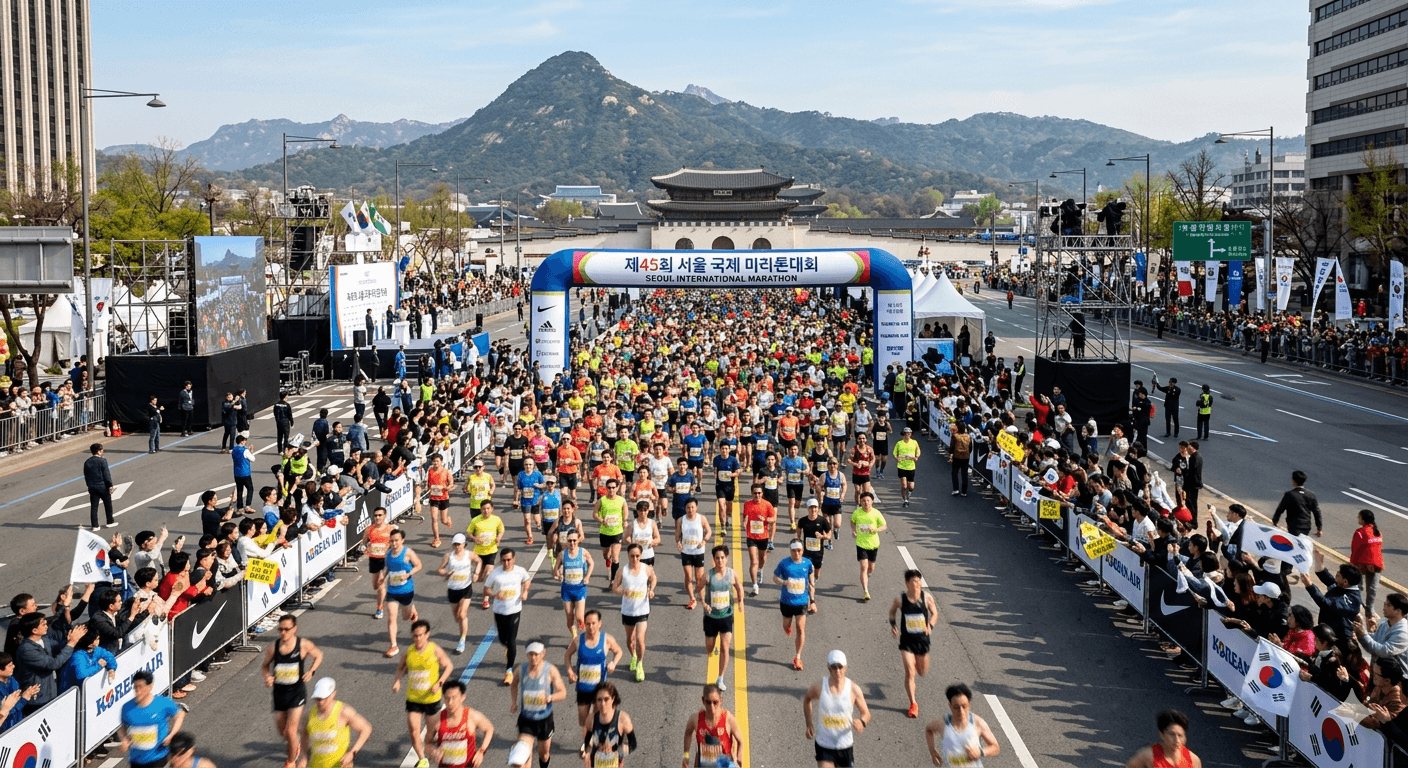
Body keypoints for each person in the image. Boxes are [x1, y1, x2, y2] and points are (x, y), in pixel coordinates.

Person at [262, 613, 325, 768]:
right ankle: (295, 744)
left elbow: (318, 655)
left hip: (296, 693)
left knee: (290, 731)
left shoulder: (303, 645)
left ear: (294, 629)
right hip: (279, 694)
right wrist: (268, 677)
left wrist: (311, 671)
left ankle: (291, 761)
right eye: (280, 629)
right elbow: (265, 665)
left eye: (287, 629)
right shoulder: (274, 648)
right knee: (282, 731)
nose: (283, 633)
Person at [395, 619, 455, 768]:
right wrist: (397, 681)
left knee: (431, 733)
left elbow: (449, 666)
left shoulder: (434, 649)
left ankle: (437, 751)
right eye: (415, 635)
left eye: (421, 635)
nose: (418, 638)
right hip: (413, 699)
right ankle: (422, 760)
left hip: (431, 699)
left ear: (427, 634)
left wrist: (439, 683)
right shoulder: (409, 652)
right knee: (414, 731)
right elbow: (400, 668)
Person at [801, 650, 871, 768]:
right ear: (829, 668)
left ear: (845, 667)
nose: (837, 671)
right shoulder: (819, 687)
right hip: (824, 744)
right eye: (834, 667)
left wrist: (862, 722)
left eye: (840, 667)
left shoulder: (854, 689)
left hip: (845, 746)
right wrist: (809, 724)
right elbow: (807, 699)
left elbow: (866, 714)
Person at [889, 569, 939, 718]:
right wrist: (893, 624)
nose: (917, 584)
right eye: (914, 582)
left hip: (922, 640)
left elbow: (935, 613)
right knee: (910, 671)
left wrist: (930, 625)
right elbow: (892, 612)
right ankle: (913, 703)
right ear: (907, 584)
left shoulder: (927, 598)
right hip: (907, 641)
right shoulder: (900, 599)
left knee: (921, 672)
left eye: (919, 581)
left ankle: (918, 664)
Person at [510, 641, 567, 767]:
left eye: (536, 654)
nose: (533, 657)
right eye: (530, 654)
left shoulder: (550, 670)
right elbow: (513, 683)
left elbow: (563, 693)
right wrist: (514, 702)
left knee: (544, 754)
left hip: (544, 720)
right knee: (522, 754)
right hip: (526, 719)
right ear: (526, 655)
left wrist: (549, 698)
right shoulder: (521, 669)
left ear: (543, 654)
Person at [565, 609, 624, 729]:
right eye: (588, 623)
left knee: (598, 717)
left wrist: (613, 663)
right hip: (583, 687)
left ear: (599, 623)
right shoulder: (578, 640)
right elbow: (567, 655)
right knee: (583, 719)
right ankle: (589, 736)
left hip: (599, 688)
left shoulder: (607, 640)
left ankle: (590, 742)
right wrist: (570, 671)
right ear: (584, 624)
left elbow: (619, 651)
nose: (591, 626)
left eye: (593, 623)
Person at [699, 544, 745, 692]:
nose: (720, 561)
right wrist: (703, 603)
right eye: (717, 558)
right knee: (709, 647)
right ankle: (714, 648)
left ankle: (720, 678)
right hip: (711, 617)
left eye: (722, 558)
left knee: (726, 647)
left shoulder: (732, 574)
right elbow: (698, 588)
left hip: (726, 616)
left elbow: (739, 586)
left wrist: (741, 602)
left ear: (726, 559)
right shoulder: (708, 575)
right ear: (713, 560)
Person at [299, 677, 373, 768]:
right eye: (318, 699)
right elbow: (304, 735)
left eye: (325, 698)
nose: (321, 702)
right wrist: (303, 757)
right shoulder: (309, 715)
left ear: (333, 694)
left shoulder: (343, 712)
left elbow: (366, 729)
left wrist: (352, 753)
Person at [486, 548, 533, 686]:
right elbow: (486, 589)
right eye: (504, 560)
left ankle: (509, 670)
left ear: (514, 559)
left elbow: (527, 580)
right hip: (499, 611)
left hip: (514, 610)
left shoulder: (520, 571)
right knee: (502, 639)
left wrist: (525, 592)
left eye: (509, 560)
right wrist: (495, 594)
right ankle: (508, 647)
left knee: (512, 640)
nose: (506, 563)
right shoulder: (495, 573)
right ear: (500, 560)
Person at [924, 683, 1001, 767]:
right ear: (950, 706)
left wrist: (980, 752)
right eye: (956, 707)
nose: (961, 712)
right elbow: (929, 730)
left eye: (964, 706)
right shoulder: (942, 723)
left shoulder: (978, 723)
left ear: (969, 705)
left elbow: (995, 747)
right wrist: (932, 750)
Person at [120, 669, 184, 767]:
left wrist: (172, 734)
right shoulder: (127, 708)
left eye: (141, 687)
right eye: (135, 687)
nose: (138, 691)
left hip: (158, 757)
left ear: (150, 686)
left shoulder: (162, 703)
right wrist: (124, 739)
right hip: (136, 760)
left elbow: (180, 715)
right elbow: (122, 727)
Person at [612, 542, 656, 682]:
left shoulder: (646, 569)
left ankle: (640, 664)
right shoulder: (622, 571)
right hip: (628, 610)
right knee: (630, 640)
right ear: (628, 555)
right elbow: (614, 587)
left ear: (641, 555)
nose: (635, 559)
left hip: (642, 609)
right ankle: (633, 656)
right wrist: (623, 591)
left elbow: (653, 578)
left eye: (637, 556)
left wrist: (651, 590)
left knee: (640, 639)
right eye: (632, 556)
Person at [428, 680, 494, 768]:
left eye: (454, 698)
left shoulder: (472, 716)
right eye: (447, 698)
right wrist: (432, 751)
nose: (450, 702)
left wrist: (481, 751)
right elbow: (427, 743)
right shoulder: (436, 720)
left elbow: (489, 729)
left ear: (463, 697)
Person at [774, 540, 816, 670]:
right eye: (794, 550)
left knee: (800, 628)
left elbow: (811, 582)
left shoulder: (808, 563)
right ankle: (788, 626)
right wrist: (783, 582)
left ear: (802, 550)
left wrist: (813, 601)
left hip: (802, 602)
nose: (796, 553)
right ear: (790, 551)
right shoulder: (784, 563)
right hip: (786, 602)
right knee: (786, 625)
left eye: (799, 550)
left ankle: (797, 657)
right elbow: (775, 578)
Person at [437, 533, 481, 654]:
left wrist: (476, 573)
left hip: (465, 588)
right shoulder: (448, 556)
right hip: (452, 589)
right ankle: (462, 629)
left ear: (464, 545)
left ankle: (462, 641)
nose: (457, 547)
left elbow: (479, 561)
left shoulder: (469, 554)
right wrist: (445, 573)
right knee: (457, 617)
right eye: (455, 544)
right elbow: (439, 569)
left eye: (459, 544)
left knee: (462, 614)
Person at [682, 683, 743, 768]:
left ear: (721, 700)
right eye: (708, 702)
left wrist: (738, 760)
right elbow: (688, 733)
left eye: (715, 702)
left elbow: (740, 742)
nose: (712, 707)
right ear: (703, 700)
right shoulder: (695, 719)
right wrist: (686, 755)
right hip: (704, 764)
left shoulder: (728, 719)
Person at [385, 528, 424, 657]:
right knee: (391, 617)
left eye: (396, 540)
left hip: (406, 590)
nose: (394, 543)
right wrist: (382, 577)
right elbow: (388, 569)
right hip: (392, 590)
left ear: (402, 540)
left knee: (406, 617)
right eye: (391, 541)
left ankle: (412, 611)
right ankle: (393, 645)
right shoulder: (389, 554)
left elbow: (419, 565)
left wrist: (408, 574)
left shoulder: (408, 553)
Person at [583, 681, 636, 768]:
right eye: (599, 700)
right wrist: (587, 754)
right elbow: (587, 743)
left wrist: (615, 749)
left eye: (606, 699)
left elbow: (633, 744)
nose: (603, 704)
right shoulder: (591, 719)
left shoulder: (623, 719)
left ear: (613, 699)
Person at [1124, 709, 1201, 768]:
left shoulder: (1193, 760)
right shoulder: (1147, 755)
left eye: (1180, 735)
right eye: (1172, 734)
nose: (1177, 740)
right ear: (1162, 735)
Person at [675, 498, 712, 611]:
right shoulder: (681, 520)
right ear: (685, 509)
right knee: (689, 576)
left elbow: (709, 531)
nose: (690, 510)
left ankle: (703, 601)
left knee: (699, 578)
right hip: (686, 552)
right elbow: (677, 535)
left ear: (696, 507)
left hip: (698, 552)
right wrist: (679, 543)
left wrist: (704, 541)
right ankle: (692, 598)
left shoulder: (701, 518)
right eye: (688, 507)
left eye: (692, 507)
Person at [468, 501, 506, 609]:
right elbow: (469, 533)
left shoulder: (496, 520)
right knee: (478, 578)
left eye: (488, 508)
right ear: (481, 510)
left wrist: (499, 538)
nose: (486, 511)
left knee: (488, 574)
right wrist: (475, 538)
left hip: (491, 550)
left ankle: (485, 600)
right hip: (479, 552)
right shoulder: (475, 520)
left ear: (492, 509)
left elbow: (502, 530)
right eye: (484, 509)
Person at [557, 529, 594, 636]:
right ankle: (574, 636)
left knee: (579, 618)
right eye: (570, 541)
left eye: (574, 540)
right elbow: (556, 569)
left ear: (578, 540)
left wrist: (587, 576)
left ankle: (584, 635)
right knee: (570, 619)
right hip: (567, 589)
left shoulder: (583, 552)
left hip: (580, 588)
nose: (572, 543)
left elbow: (591, 563)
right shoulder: (562, 554)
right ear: (567, 541)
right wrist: (558, 574)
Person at [851, 492, 887, 602]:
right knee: (863, 567)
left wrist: (875, 530)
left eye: (868, 500)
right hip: (861, 544)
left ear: (872, 502)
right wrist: (853, 530)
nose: (866, 502)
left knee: (871, 567)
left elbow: (884, 526)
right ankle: (866, 591)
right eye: (863, 501)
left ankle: (869, 574)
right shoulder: (857, 513)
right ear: (860, 502)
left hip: (873, 544)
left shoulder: (876, 513)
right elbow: (852, 522)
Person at [743, 485, 777, 596]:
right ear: (751, 493)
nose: (757, 495)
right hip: (751, 537)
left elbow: (773, 519)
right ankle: (755, 586)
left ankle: (760, 570)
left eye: (759, 493)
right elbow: (745, 515)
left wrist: (765, 519)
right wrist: (744, 522)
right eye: (755, 493)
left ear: (762, 493)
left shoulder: (767, 505)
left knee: (761, 560)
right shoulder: (747, 504)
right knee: (753, 561)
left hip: (763, 537)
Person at [1352, 510, 1385, 620]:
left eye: (1359, 517)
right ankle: (1370, 610)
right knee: (1372, 589)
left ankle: (1358, 608)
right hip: (1376, 564)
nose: (1358, 519)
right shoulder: (1378, 532)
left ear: (1362, 519)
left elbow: (1355, 550)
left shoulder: (1360, 532)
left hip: (1361, 564)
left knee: (1358, 587)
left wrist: (1353, 564)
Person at [1272, 469, 1323, 538]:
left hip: (1293, 526)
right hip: (1306, 526)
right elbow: (1317, 512)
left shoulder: (1289, 495)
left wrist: (1275, 520)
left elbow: (1280, 509)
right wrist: (1319, 528)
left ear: (1294, 481)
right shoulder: (1311, 495)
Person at [595, 480, 627, 586]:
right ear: (606, 488)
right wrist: (601, 520)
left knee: (615, 557)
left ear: (617, 488)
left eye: (613, 487)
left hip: (617, 532)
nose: (611, 490)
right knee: (606, 555)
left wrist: (624, 521)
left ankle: (614, 580)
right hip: (604, 531)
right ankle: (608, 564)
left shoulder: (621, 500)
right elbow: (595, 514)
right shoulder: (602, 500)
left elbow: (625, 513)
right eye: (609, 487)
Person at [84, 442, 117, 531]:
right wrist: (110, 485)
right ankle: (110, 521)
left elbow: (86, 476)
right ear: (98, 451)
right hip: (102, 486)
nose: (103, 451)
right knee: (108, 504)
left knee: (94, 507)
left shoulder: (87, 462)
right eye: (101, 450)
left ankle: (95, 525)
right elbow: (106, 474)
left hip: (92, 487)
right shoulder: (102, 461)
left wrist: (89, 485)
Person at [427, 453, 455, 549]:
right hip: (433, 498)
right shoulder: (430, 471)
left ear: (441, 462)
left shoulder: (446, 471)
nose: (435, 463)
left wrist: (446, 488)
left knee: (443, 520)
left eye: (437, 461)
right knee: (434, 518)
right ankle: (437, 539)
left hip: (444, 498)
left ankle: (448, 520)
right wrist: (428, 489)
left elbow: (451, 484)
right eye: (434, 461)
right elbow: (429, 483)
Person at [893, 427, 920, 507]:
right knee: (904, 485)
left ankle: (909, 494)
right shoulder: (899, 443)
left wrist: (916, 457)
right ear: (903, 435)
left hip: (911, 467)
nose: (907, 435)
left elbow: (918, 451)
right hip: (901, 466)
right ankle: (905, 500)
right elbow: (895, 453)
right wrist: (897, 458)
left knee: (911, 486)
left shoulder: (914, 442)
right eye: (906, 434)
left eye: (909, 434)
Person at [948, 422, 971, 497]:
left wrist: (951, 453)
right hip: (966, 457)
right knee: (964, 474)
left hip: (957, 456)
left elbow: (952, 446)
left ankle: (956, 489)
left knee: (954, 473)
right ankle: (964, 492)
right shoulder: (968, 436)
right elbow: (970, 447)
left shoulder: (955, 436)